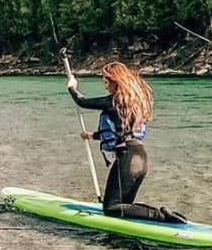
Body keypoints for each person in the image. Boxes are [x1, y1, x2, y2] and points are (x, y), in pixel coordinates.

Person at [68, 61, 186, 223]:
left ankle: (161, 215)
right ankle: (161, 218)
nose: (105, 87)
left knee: (111, 208)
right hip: (141, 158)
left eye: (106, 82)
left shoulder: (114, 101)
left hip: (127, 159)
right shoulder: (133, 102)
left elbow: (82, 102)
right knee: (124, 206)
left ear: (115, 82)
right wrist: (91, 135)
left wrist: (72, 87)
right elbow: (120, 132)